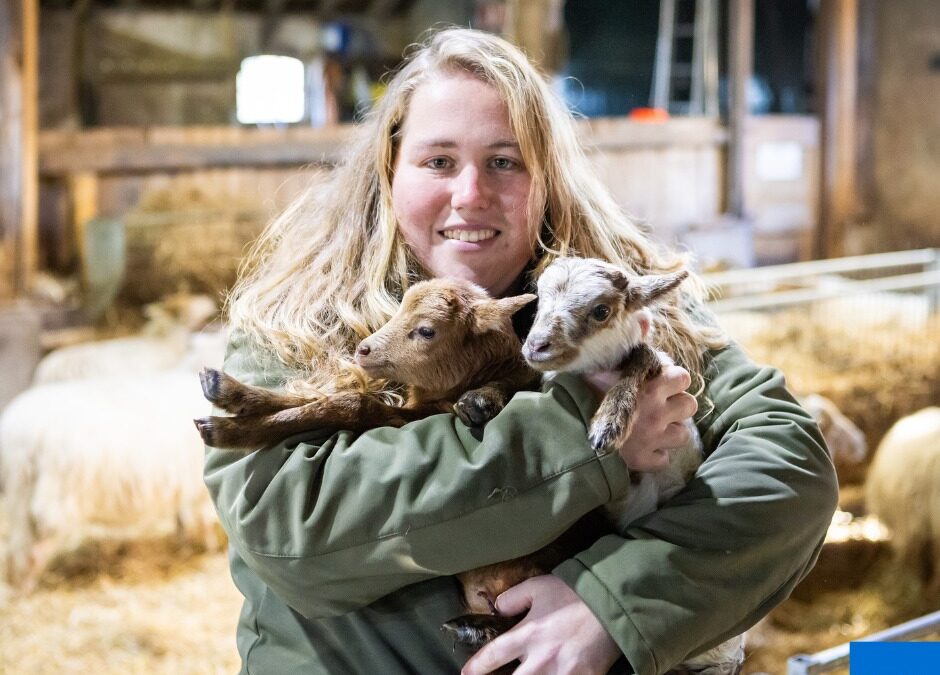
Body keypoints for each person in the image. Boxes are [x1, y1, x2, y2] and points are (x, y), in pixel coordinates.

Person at [203, 27, 838, 675]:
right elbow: (292, 531)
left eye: (505, 161)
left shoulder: (608, 301)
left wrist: (611, 602)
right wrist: (577, 435)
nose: (470, 193)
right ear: (389, 166)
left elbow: (786, 457)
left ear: (547, 178)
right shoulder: (305, 314)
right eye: (439, 161)